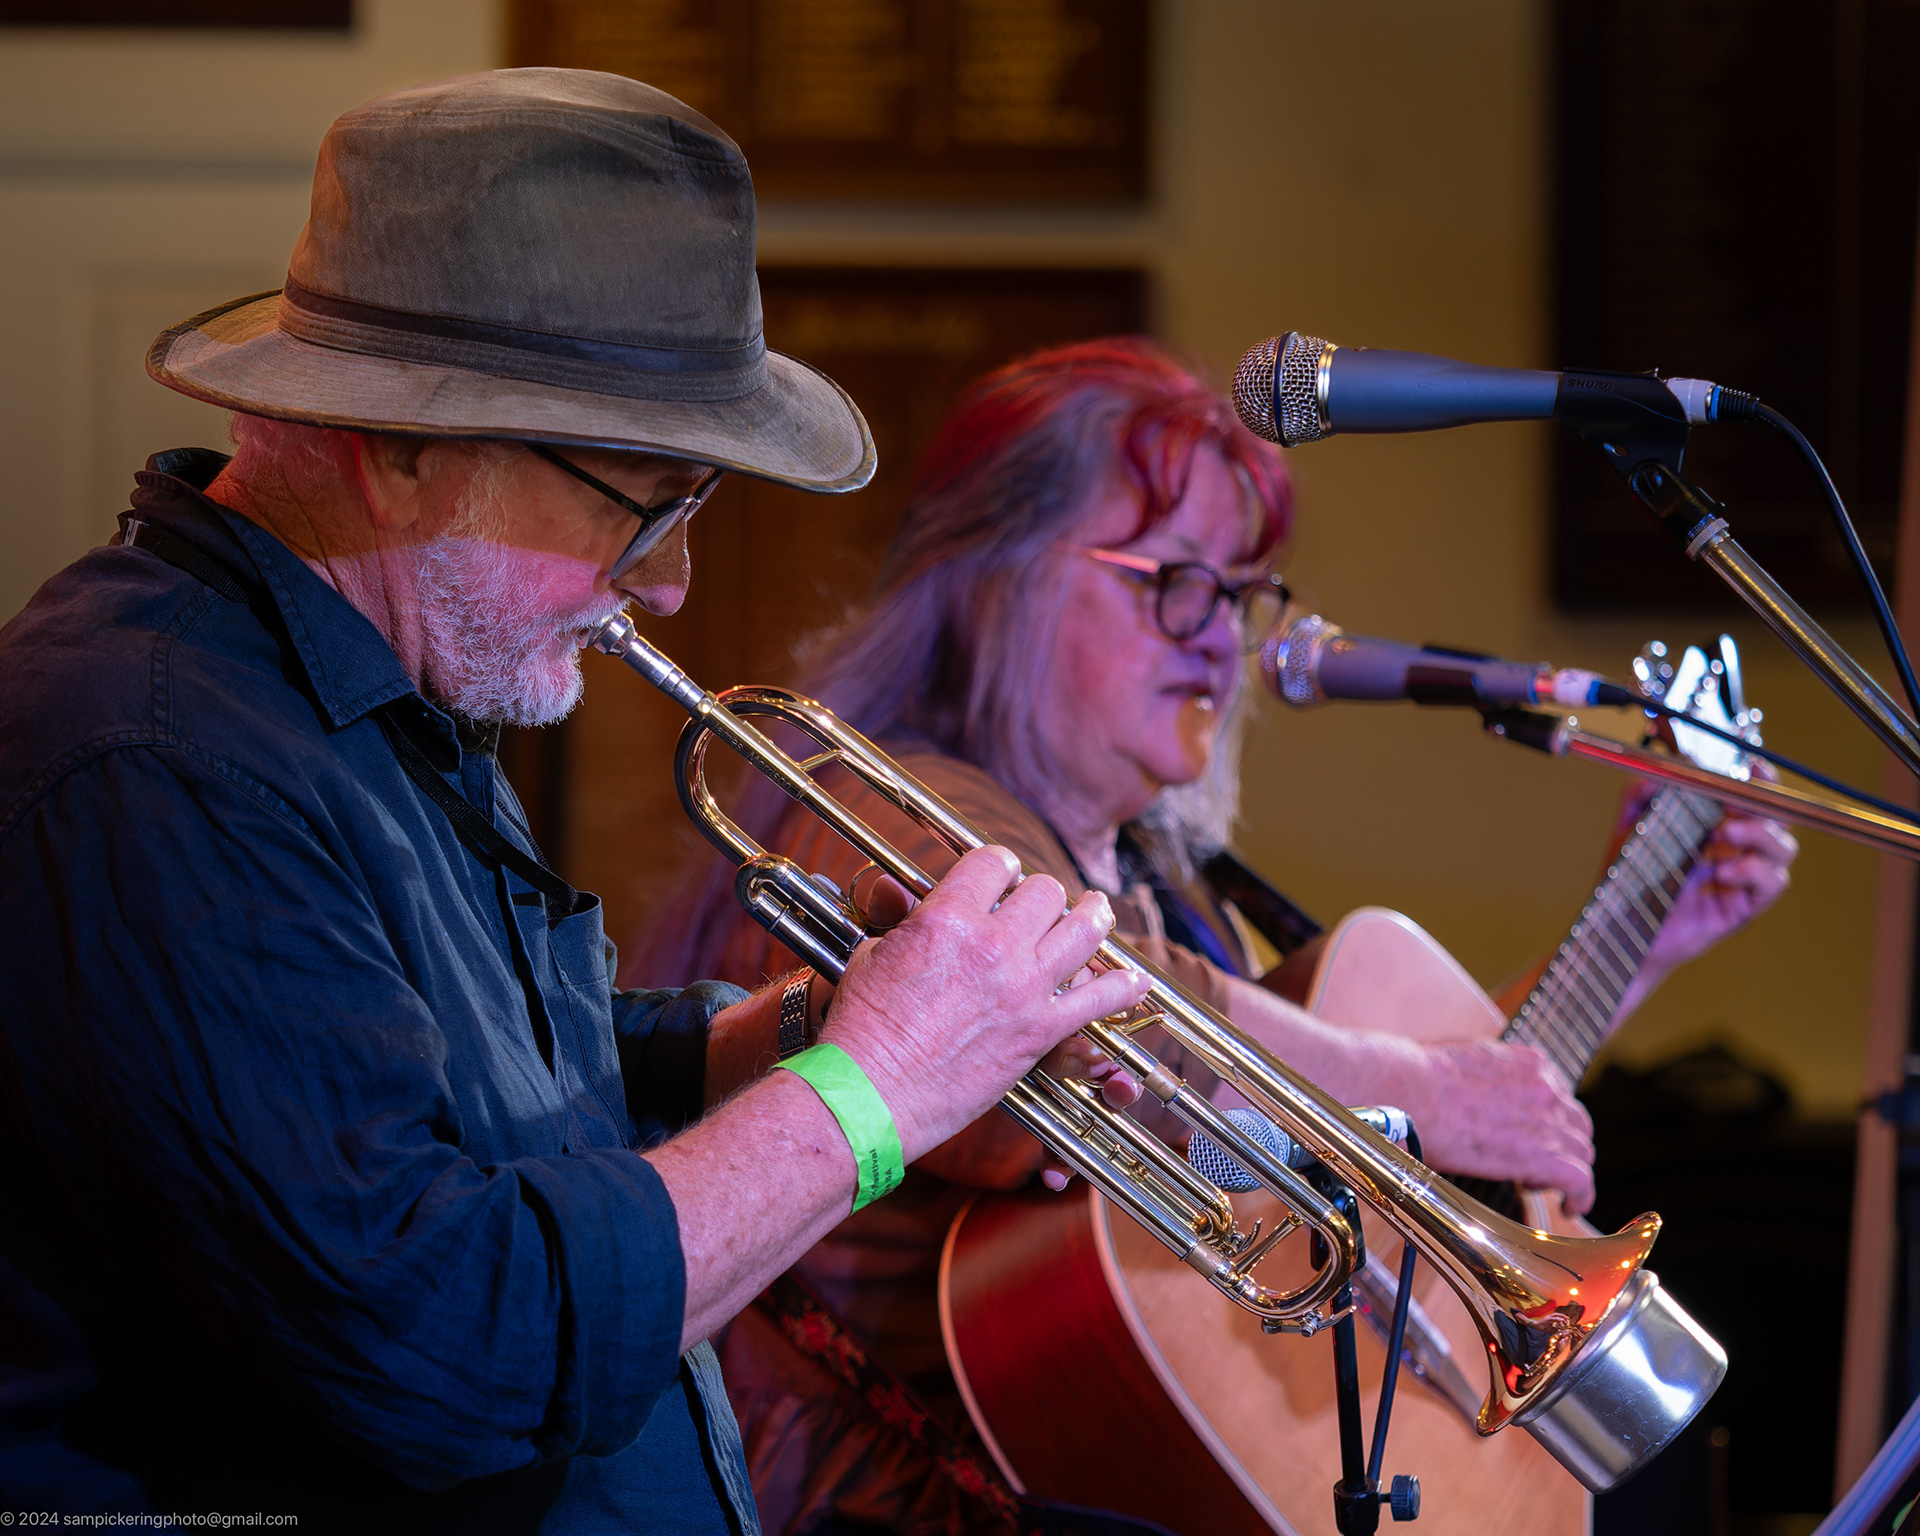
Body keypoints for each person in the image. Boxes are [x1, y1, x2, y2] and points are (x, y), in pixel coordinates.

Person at [0, 73, 1159, 1532]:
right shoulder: (156, 756)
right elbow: (445, 1340)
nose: (668, 582)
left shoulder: (371, 683)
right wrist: (884, 1087)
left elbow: (472, 1092)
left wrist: (808, 1028)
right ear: (404, 449)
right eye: (642, 500)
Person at [645, 338, 1798, 1535]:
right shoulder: (886, 806)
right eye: (1176, 581)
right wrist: (1422, 1089)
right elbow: (1084, 1020)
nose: (1216, 638)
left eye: (1241, 596)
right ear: (999, 576)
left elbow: (1346, 1138)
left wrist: (1641, 933)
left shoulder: (1167, 880)